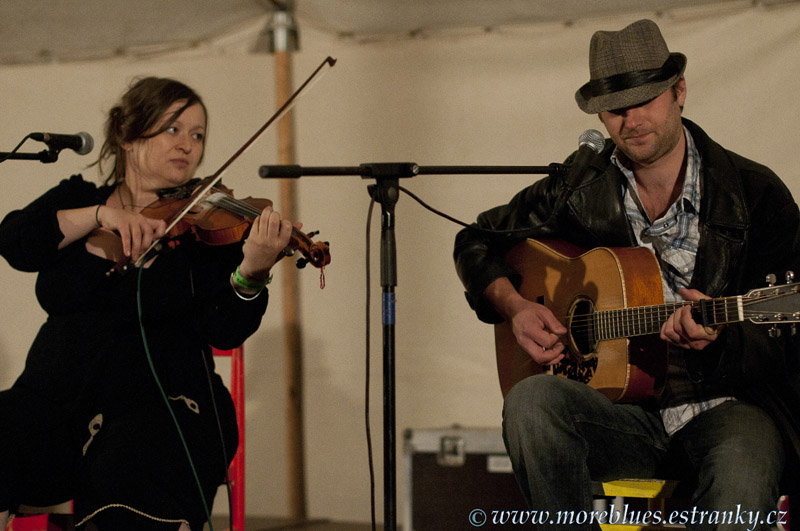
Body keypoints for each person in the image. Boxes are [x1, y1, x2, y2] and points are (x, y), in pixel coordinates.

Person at [454, 19, 800, 531]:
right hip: (621, 412)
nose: (631, 119)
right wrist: (518, 307)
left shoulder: (754, 193)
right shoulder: (581, 185)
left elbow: (788, 332)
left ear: (679, 91)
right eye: (616, 107)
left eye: (646, 100)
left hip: (728, 408)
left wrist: (720, 341)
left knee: (745, 463)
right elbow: (476, 240)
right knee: (531, 401)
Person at [0, 77, 294, 530]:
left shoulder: (207, 224)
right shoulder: (79, 199)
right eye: (173, 129)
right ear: (127, 135)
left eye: (197, 135)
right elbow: (15, 241)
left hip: (164, 404)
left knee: (131, 459)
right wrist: (101, 217)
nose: (188, 145)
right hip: (59, 401)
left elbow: (225, 328)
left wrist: (250, 272)